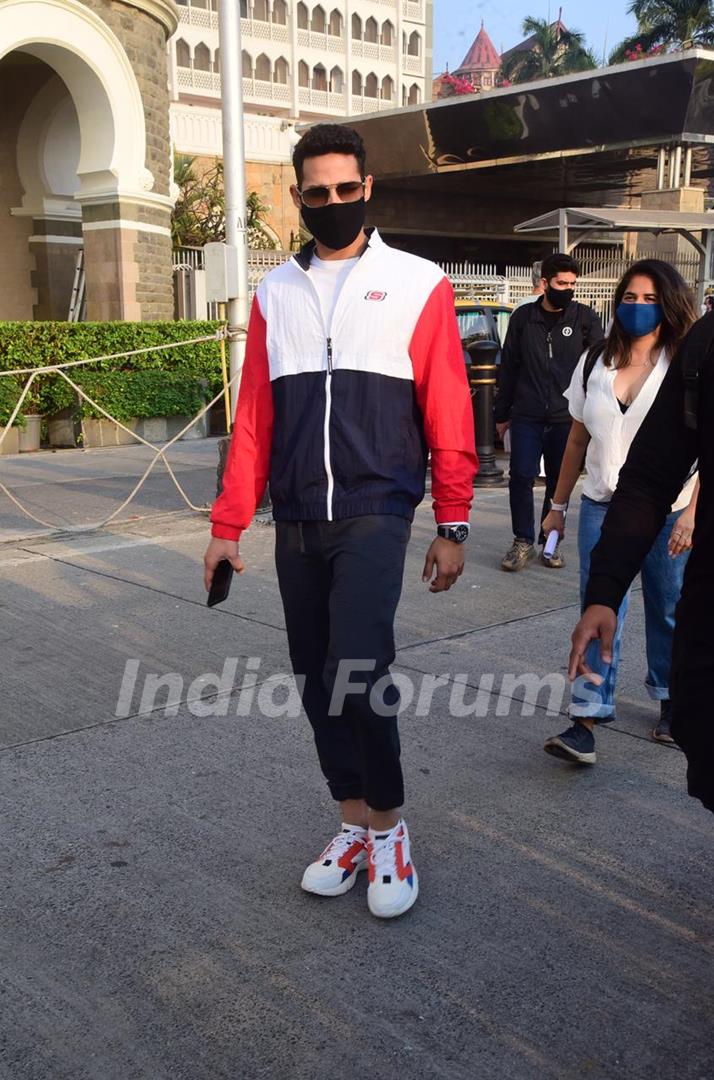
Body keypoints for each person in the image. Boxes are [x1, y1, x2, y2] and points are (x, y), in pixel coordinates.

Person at [203, 124, 478, 918]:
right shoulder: (273, 294)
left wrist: (453, 521)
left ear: (367, 189)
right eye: (315, 193)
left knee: (359, 664)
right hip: (297, 515)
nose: (331, 203)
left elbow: (450, 407)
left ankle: (390, 826)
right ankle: (350, 822)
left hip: (376, 505)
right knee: (316, 675)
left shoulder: (418, 281)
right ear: (297, 199)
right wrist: (227, 524)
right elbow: (253, 418)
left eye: (344, 190)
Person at [541, 260, 698, 765]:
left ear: (669, 304)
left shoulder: (687, 365)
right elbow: (576, 439)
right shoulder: (594, 362)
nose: (636, 307)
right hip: (602, 505)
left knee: (669, 606)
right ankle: (585, 718)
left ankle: (671, 700)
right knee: (599, 605)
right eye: (628, 298)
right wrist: (557, 507)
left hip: (671, 511)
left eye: (649, 299)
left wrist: (695, 510)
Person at [569, 307, 714, 820]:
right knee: (703, 738)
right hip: (709, 596)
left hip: (686, 529)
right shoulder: (710, 341)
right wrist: (604, 591)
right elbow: (652, 475)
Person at [495, 253, 604, 572]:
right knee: (521, 477)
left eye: (572, 284)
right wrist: (501, 415)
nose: (568, 289)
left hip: (567, 417)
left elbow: (597, 368)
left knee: (560, 482)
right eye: (561, 283)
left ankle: (551, 543)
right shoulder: (523, 318)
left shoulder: (584, 318)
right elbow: (509, 367)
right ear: (545, 283)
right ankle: (522, 541)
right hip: (527, 414)